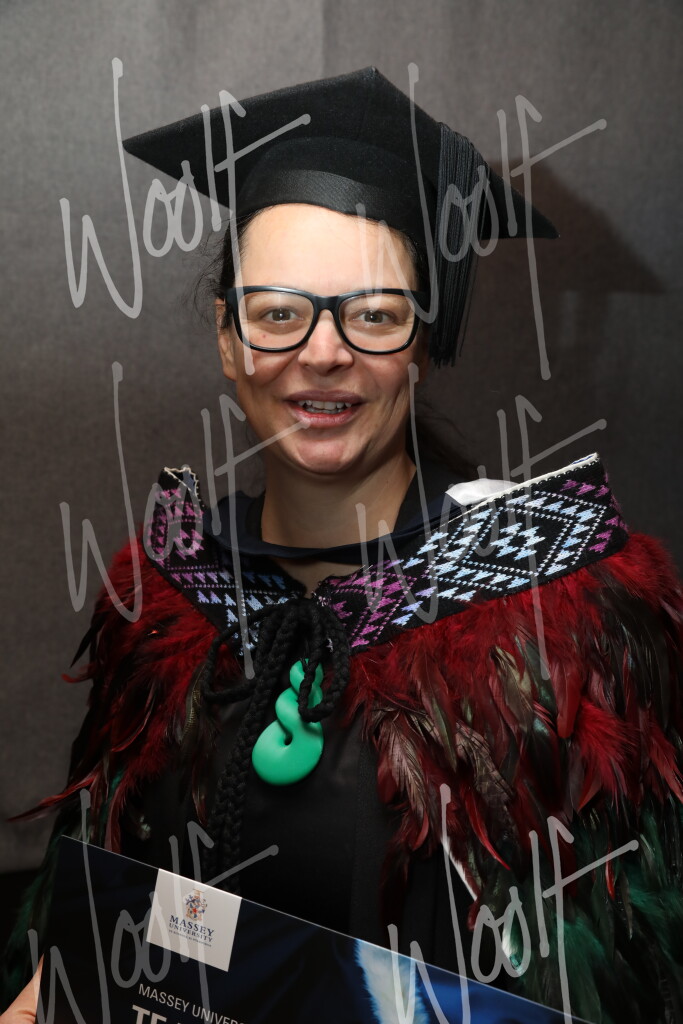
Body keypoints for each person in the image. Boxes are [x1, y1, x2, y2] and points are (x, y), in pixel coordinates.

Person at [2, 67, 682, 1023]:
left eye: (373, 314)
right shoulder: (166, 592)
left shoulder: (551, 615)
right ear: (228, 337)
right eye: (277, 312)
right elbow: (96, 916)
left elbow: (616, 971)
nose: (322, 353)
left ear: (420, 342)